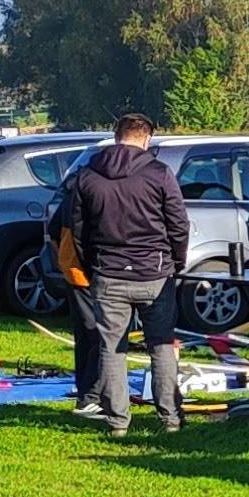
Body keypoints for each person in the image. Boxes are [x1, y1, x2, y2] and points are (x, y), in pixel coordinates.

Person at [54, 112, 190, 434]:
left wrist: (93, 265)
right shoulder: (159, 173)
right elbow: (178, 224)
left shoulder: (87, 175)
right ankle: (170, 418)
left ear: (116, 137)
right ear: (146, 138)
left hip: (108, 272)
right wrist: (176, 261)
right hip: (154, 272)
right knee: (161, 346)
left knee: (112, 348)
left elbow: (77, 229)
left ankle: (117, 421)